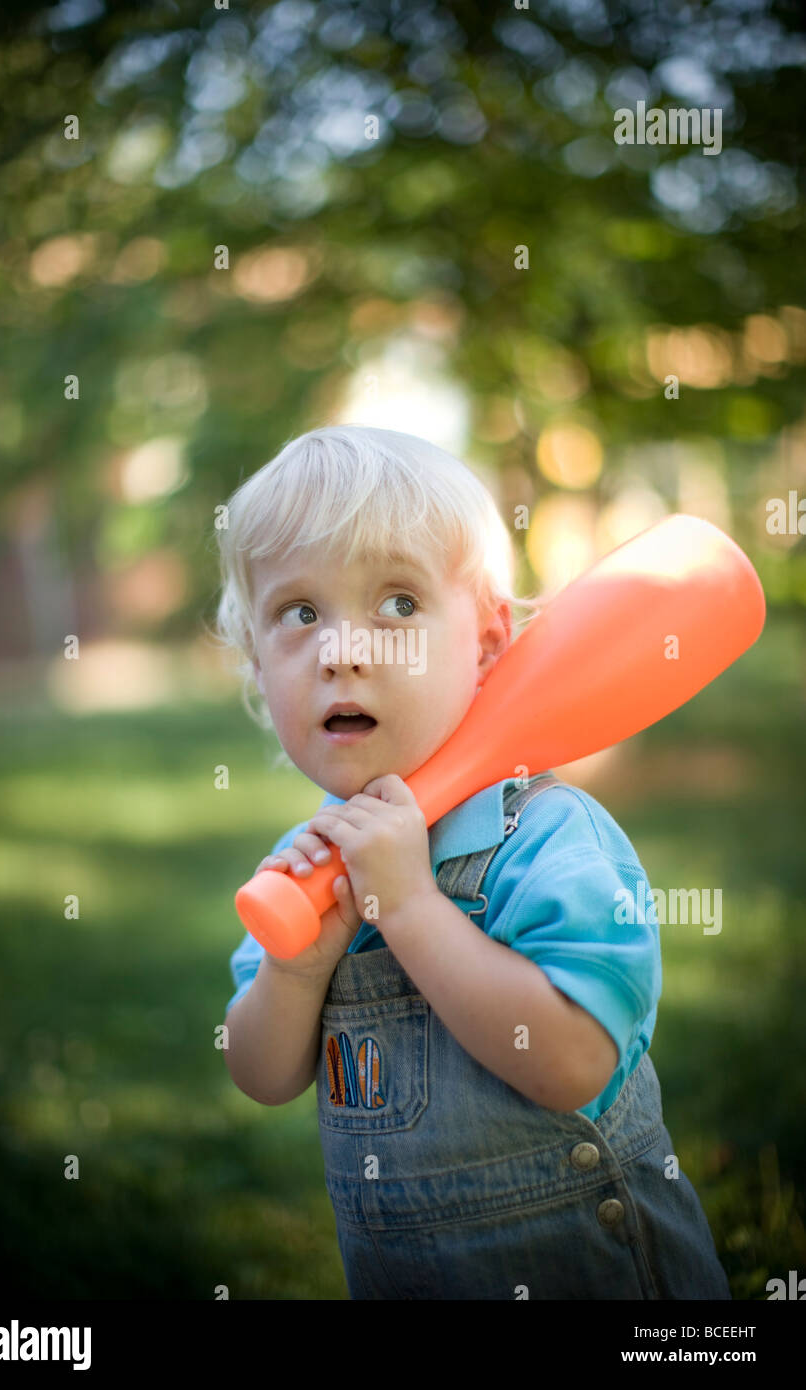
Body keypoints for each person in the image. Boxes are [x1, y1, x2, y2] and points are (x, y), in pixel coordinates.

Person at [216, 423, 732, 1300]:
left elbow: (572, 1063)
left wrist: (413, 910)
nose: (345, 650)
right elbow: (261, 1075)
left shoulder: (549, 840)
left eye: (399, 605)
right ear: (258, 667)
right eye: (301, 614)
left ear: (488, 640)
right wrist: (294, 972)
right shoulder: (304, 868)